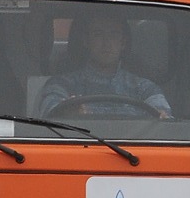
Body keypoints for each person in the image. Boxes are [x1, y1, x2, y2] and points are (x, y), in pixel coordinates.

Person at [39, 9, 171, 120]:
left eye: (113, 35)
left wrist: (162, 118)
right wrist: (67, 114)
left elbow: (165, 122)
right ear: (86, 41)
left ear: (123, 43)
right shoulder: (60, 85)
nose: (107, 42)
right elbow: (49, 116)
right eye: (98, 34)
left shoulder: (145, 89)